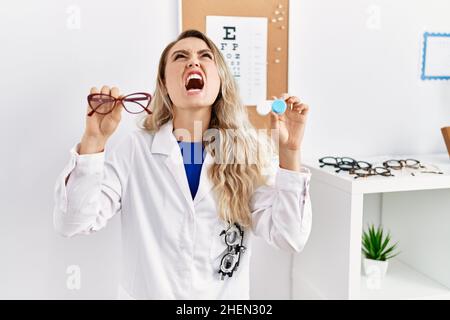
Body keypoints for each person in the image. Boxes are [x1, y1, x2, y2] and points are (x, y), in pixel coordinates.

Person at [53, 29, 312, 299]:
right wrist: (94, 140)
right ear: (164, 85)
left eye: (204, 56)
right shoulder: (135, 149)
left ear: (220, 79)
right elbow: (71, 222)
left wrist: (290, 151)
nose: (193, 62)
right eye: (180, 56)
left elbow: (289, 236)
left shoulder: (245, 153)